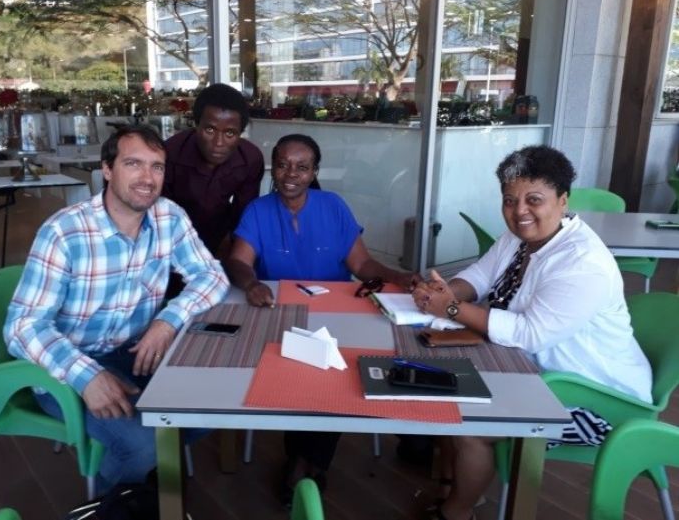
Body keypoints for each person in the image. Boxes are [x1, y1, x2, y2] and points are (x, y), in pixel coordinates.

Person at [411, 145, 652, 520]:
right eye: (509, 200)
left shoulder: (582, 263)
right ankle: (455, 488)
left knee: (472, 424)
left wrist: (453, 309)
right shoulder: (521, 238)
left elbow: (529, 334)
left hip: (594, 397)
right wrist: (444, 293)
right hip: (532, 372)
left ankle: (456, 512)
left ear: (563, 200)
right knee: (448, 389)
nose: (519, 211)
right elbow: (479, 275)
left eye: (533, 199)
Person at [4, 124, 229, 493]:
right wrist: (87, 376)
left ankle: (137, 475)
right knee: (143, 443)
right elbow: (22, 326)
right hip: (67, 365)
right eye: (133, 164)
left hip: (134, 352)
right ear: (107, 169)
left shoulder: (168, 217)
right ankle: (127, 493)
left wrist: (168, 321)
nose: (147, 178)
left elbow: (212, 276)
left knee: (212, 406)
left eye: (157, 167)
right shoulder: (65, 231)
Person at [225, 133, 420, 505]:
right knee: (295, 374)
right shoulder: (258, 210)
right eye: (283, 164)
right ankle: (308, 462)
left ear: (315, 171)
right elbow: (238, 260)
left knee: (339, 374)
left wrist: (400, 277)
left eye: (302, 166)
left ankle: (302, 461)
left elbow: (361, 265)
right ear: (273, 167)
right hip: (280, 313)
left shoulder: (333, 206)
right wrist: (250, 283)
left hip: (338, 314)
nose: (291, 174)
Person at [161, 83, 264, 259]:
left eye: (230, 133)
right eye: (210, 129)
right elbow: (159, 213)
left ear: (240, 133)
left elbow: (244, 214)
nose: (218, 143)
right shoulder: (170, 153)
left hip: (222, 236)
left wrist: (231, 243)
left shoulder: (250, 159)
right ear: (196, 124)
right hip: (172, 239)